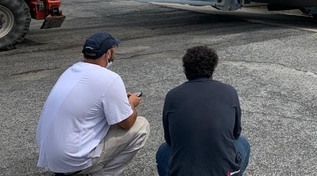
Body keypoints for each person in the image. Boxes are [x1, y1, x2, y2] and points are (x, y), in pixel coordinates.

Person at [36, 32, 150, 175]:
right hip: (72, 160)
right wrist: (131, 104)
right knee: (141, 126)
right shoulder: (110, 78)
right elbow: (126, 123)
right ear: (108, 53)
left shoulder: (70, 70)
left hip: (50, 155)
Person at [156, 45, 250, 176]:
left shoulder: (172, 96)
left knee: (163, 151)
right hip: (223, 172)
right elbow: (236, 133)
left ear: (185, 70)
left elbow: (170, 139)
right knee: (243, 143)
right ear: (212, 69)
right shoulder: (229, 92)